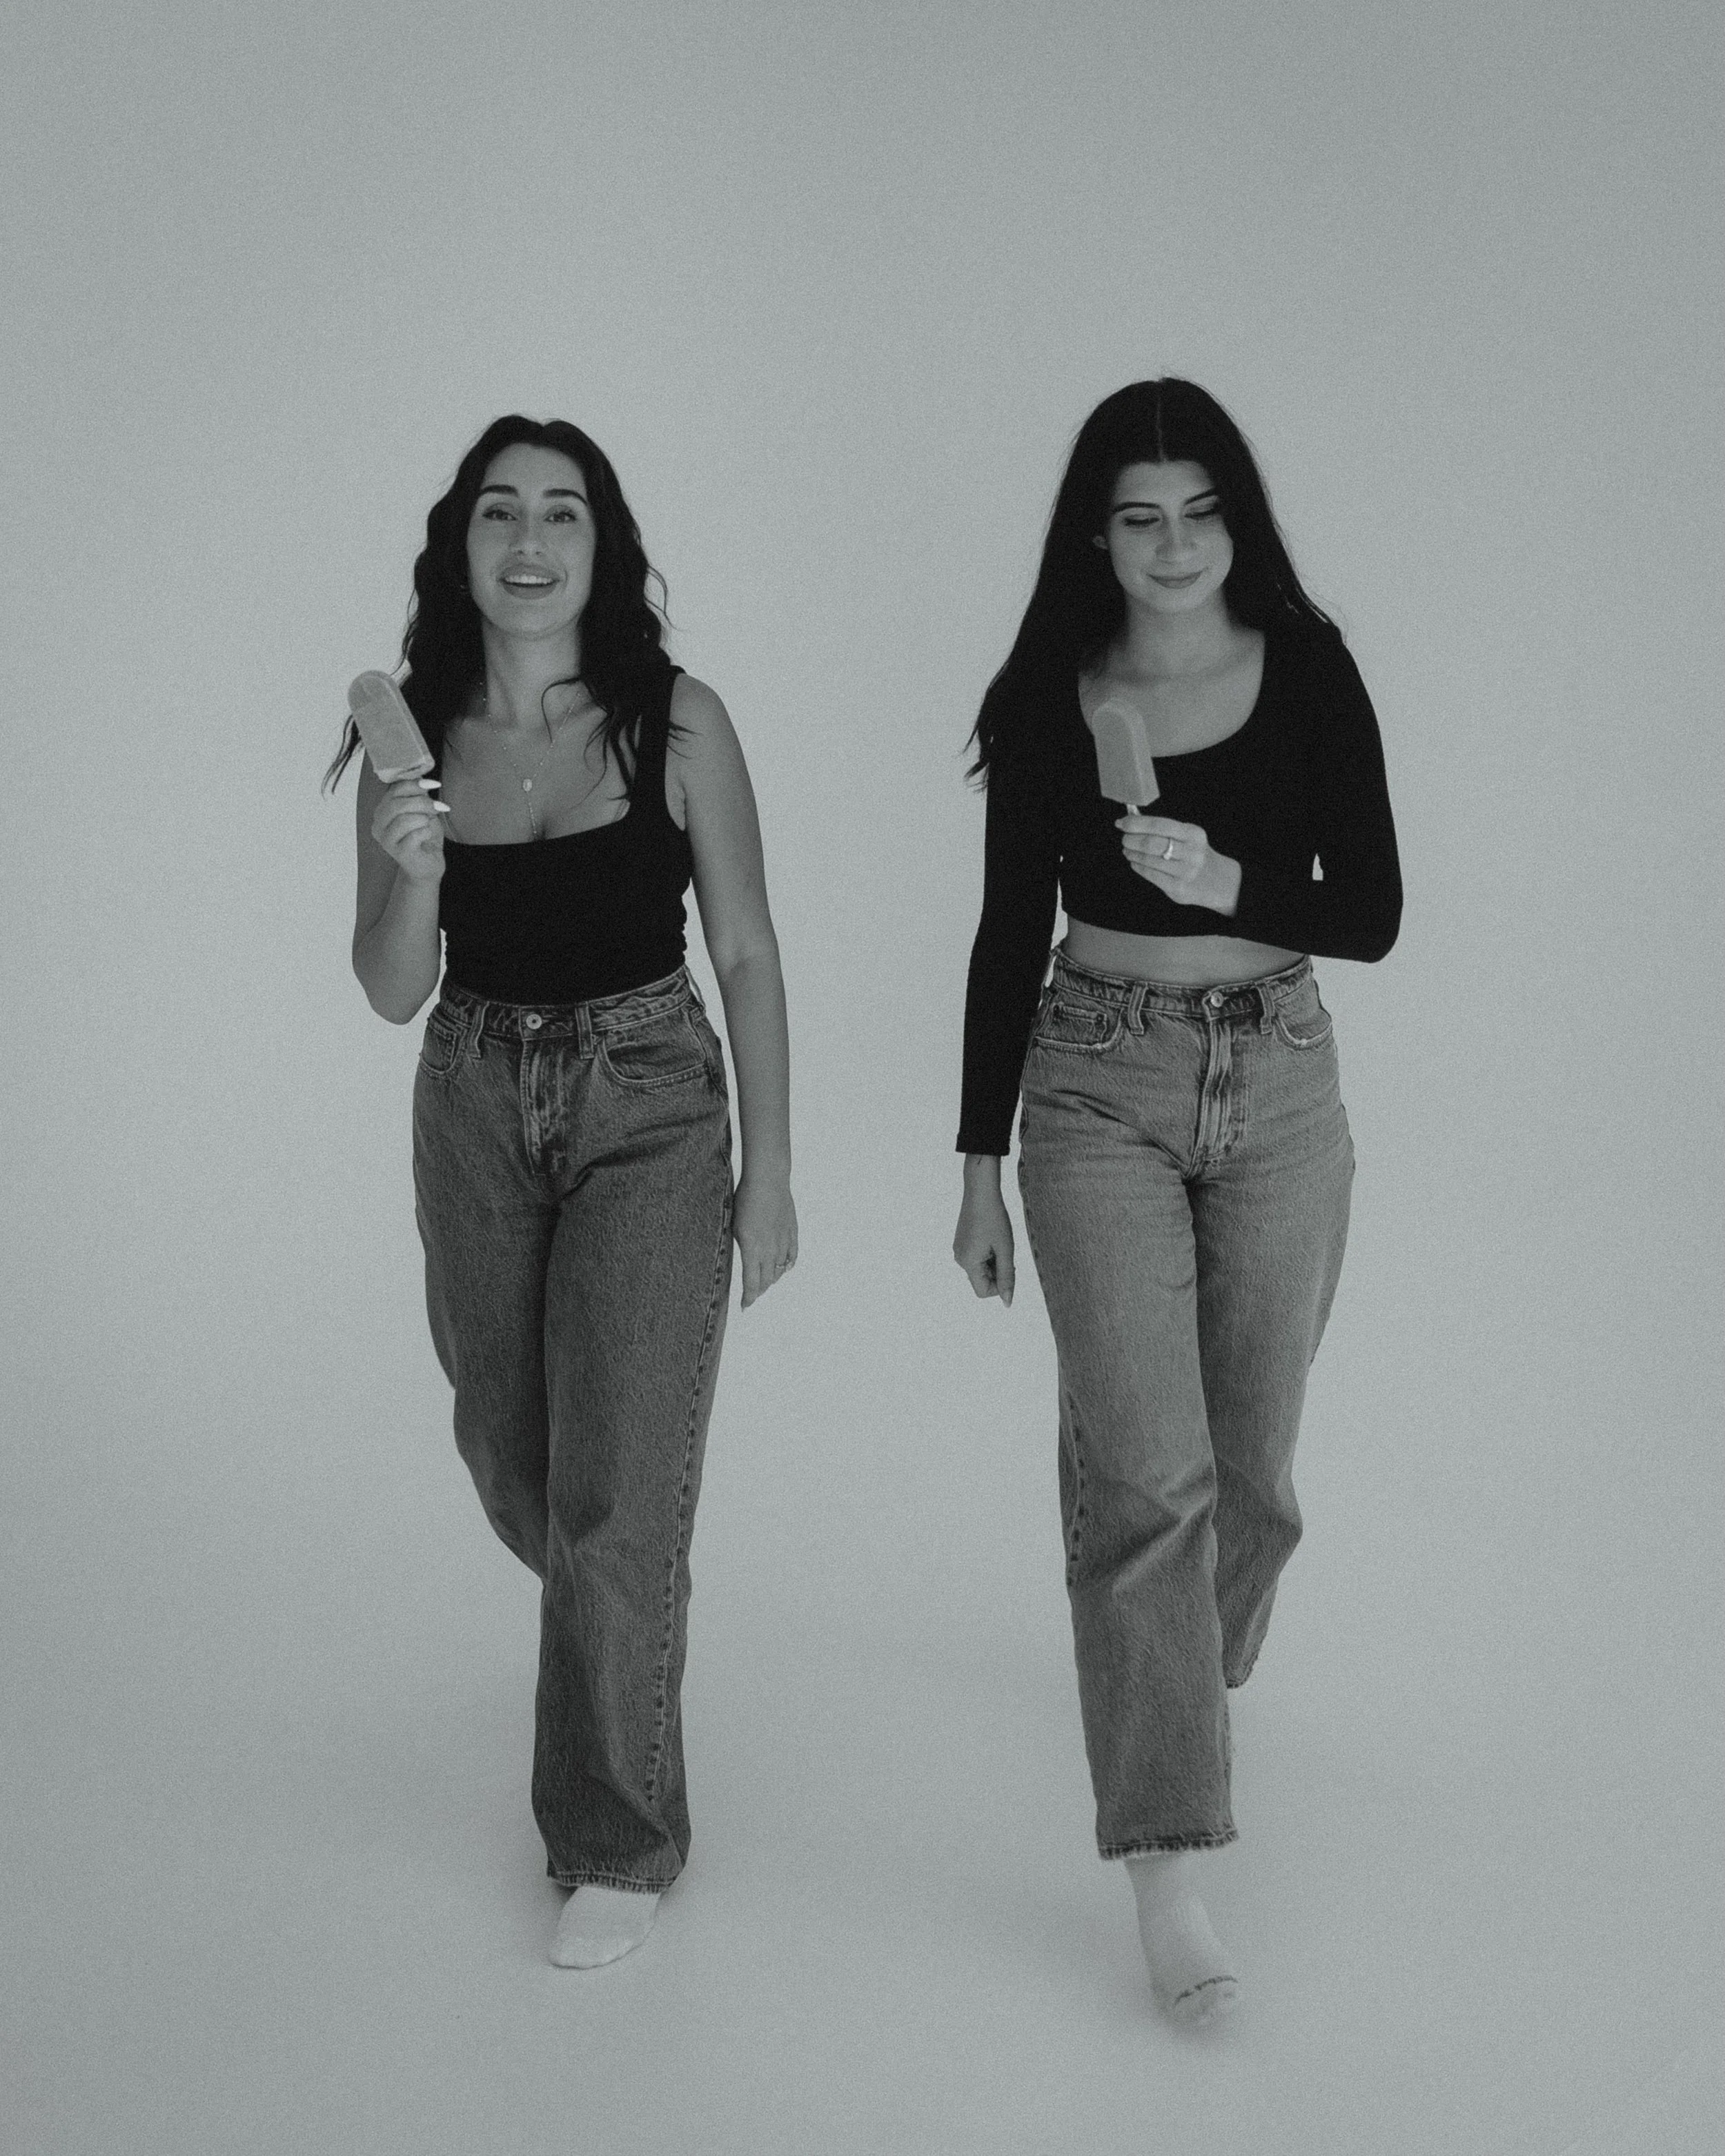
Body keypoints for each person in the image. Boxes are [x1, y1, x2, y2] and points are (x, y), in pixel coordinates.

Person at [952, 379, 1400, 2024]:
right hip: (1091, 1080)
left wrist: (1235, 883)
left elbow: (1376, 907)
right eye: (1137, 516)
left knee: (1247, 1473)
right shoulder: (1051, 693)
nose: (1170, 545)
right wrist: (975, 1161)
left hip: (1274, 1072)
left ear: (1236, 520)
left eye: (1197, 511)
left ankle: (1182, 1679)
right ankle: (1168, 1866)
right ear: (1095, 531)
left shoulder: (1311, 667)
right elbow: (1008, 930)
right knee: (1146, 1478)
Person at [328, 415, 796, 1969]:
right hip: (470, 1095)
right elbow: (392, 990)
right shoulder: (409, 740)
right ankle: (624, 1618)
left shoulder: (677, 719)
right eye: (498, 514)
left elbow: (743, 948)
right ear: (459, 546)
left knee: (612, 1498)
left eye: (563, 513)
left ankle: (614, 1832)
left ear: (603, 548)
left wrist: (772, 1174)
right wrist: (410, 867)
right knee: (510, 1448)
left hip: (650, 1100)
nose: (529, 540)